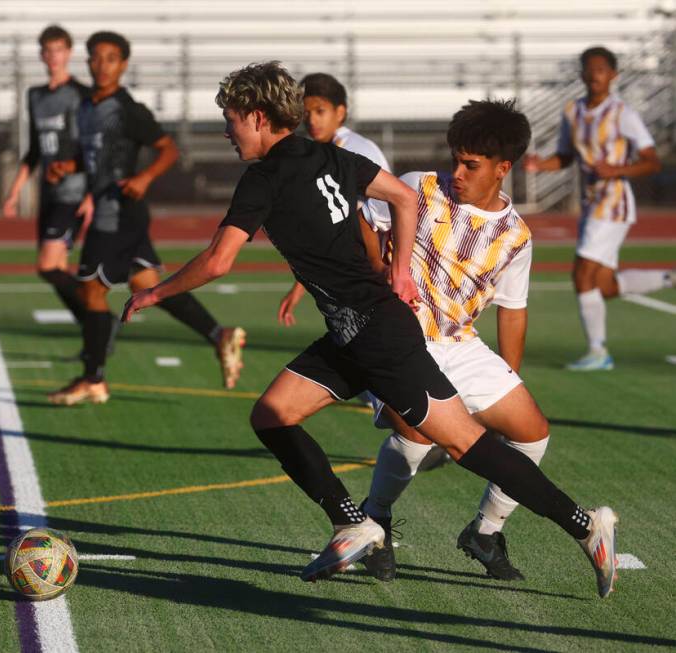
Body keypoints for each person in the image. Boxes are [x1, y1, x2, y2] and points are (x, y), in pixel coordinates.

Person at [123, 62, 618, 598]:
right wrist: (402, 268)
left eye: (231, 119)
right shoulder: (331, 155)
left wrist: (153, 292)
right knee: (272, 414)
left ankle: (585, 525)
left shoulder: (263, 178)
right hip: (352, 331)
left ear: (260, 117)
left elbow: (218, 262)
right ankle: (354, 522)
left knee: (467, 445)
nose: (226, 131)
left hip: (378, 334)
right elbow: (404, 200)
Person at [285, 100, 549, 583]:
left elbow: (513, 309)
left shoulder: (517, 235)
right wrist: (384, 267)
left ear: (502, 169)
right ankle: (377, 517)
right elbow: (367, 220)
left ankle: (484, 532)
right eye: (456, 159)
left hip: (461, 343)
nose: (458, 172)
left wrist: (510, 377)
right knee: (417, 435)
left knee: (532, 432)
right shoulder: (418, 187)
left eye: (471, 165)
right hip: (400, 338)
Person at [46, 31, 244, 406]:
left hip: (118, 214)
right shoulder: (85, 108)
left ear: (123, 65)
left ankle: (93, 379)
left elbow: (168, 149)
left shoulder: (129, 109)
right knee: (150, 285)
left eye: (110, 58)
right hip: (114, 212)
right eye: (95, 57)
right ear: (87, 62)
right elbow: (94, 159)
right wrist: (66, 167)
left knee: (91, 290)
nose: (101, 65)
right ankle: (220, 335)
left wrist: (144, 177)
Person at [524, 46, 671, 371]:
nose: (594, 76)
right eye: (589, 70)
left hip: (614, 203)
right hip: (593, 205)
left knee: (581, 275)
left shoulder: (622, 114)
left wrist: (616, 170)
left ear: (613, 75)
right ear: (581, 75)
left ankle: (598, 351)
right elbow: (566, 156)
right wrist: (540, 164)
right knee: (603, 286)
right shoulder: (573, 112)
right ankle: (669, 277)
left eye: (601, 69)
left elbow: (651, 161)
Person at [278, 72, 392, 323]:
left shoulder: (351, 150)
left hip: (378, 265)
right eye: (306, 112)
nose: (312, 119)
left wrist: (377, 267)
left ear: (340, 112)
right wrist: (300, 287)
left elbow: (367, 215)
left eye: (320, 111)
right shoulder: (329, 150)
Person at [1, 25, 92, 326]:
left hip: (74, 192)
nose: (53, 56)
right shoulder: (36, 95)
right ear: (41, 55)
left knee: (47, 266)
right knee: (58, 269)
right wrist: (15, 191)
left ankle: (98, 314)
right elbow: (36, 150)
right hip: (49, 194)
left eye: (59, 50)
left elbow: (93, 148)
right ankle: (93, 333)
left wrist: (92, 194)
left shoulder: (80, 95)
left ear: (69, 53)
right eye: (48, 50)